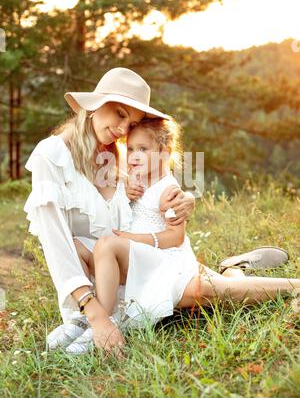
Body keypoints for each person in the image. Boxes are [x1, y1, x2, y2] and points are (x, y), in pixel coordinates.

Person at [66, 116, 300, 355]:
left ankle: (104, 321)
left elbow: (174, 238)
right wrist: (124, 193)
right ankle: (86, 318)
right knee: (76, 245)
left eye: (143, 149)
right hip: (137, 260)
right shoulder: (132, 178)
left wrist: (128, 239)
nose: (134, 155)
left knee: (220, 292)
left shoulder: (168, 190)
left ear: (164, 153)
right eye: (131, 148)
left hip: (164, 259)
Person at [23, 68, 196, 349]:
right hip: (93, 288)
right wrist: (95, 315)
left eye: (132, 122)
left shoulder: (116, 156)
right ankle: (83, 320)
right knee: (76, 244)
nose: (123, 129)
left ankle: (107, 316)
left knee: (212, 288)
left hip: (132, 267)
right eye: (120, 113)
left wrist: (187, 197)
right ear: (95, 105)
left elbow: (161, 178)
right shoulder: (50, 156)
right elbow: (56, 244)